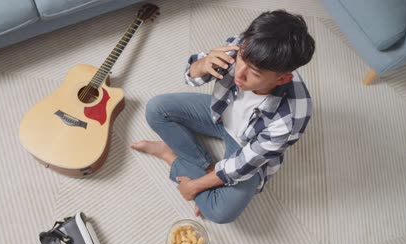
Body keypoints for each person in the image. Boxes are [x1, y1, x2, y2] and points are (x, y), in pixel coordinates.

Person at [131, 10, 315, 224]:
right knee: (156, 109)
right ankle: (205, 168)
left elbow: (242, 165)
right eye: (240, 59)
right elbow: (192, 76)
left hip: (245, 144)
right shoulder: (243, 46)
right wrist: (202, 64)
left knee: (221, 213)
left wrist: (194, 186)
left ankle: (170, 156)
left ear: (283, 79)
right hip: (218, 114)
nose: (239, 73)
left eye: (253, 73)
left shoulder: (293, 117)